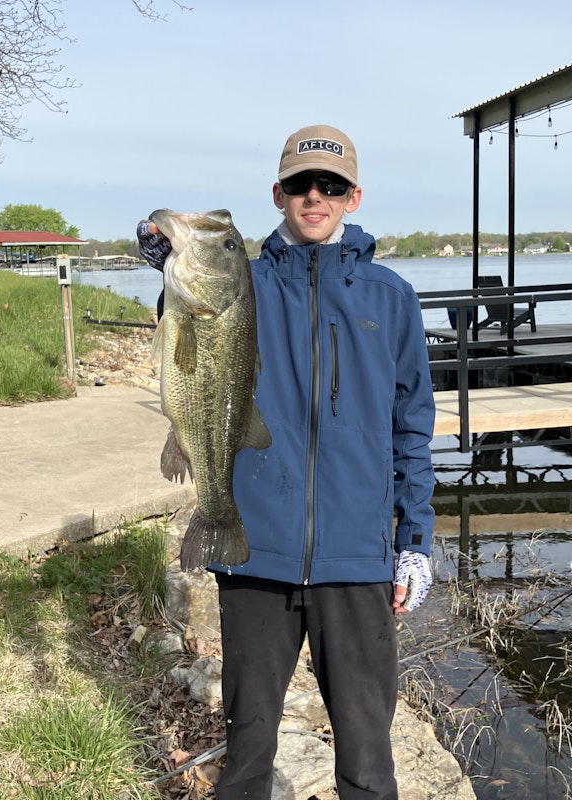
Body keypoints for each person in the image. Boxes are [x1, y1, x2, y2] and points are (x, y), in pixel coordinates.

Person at [138, 124, 435, 800]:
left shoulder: (391, 298)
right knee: (248, 757)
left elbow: (413, 430)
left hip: (357, 560)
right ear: (279, 194)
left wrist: (415, 541)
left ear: (354, 196)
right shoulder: (243, 282)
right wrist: (165, 264)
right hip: (255, 552)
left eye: (331, 185)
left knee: (368, 765)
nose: (315, 196)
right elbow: (192, 324)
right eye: (301, 184)